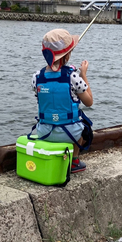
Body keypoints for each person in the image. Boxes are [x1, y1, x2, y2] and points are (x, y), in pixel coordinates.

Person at [31, 28, 93, 173]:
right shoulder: (72, 77)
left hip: (44, 132)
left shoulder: (36, 78)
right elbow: (89, 102)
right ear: (67, 56)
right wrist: (83, 74)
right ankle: (74, 161)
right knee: (85, 127)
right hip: (70, 133)